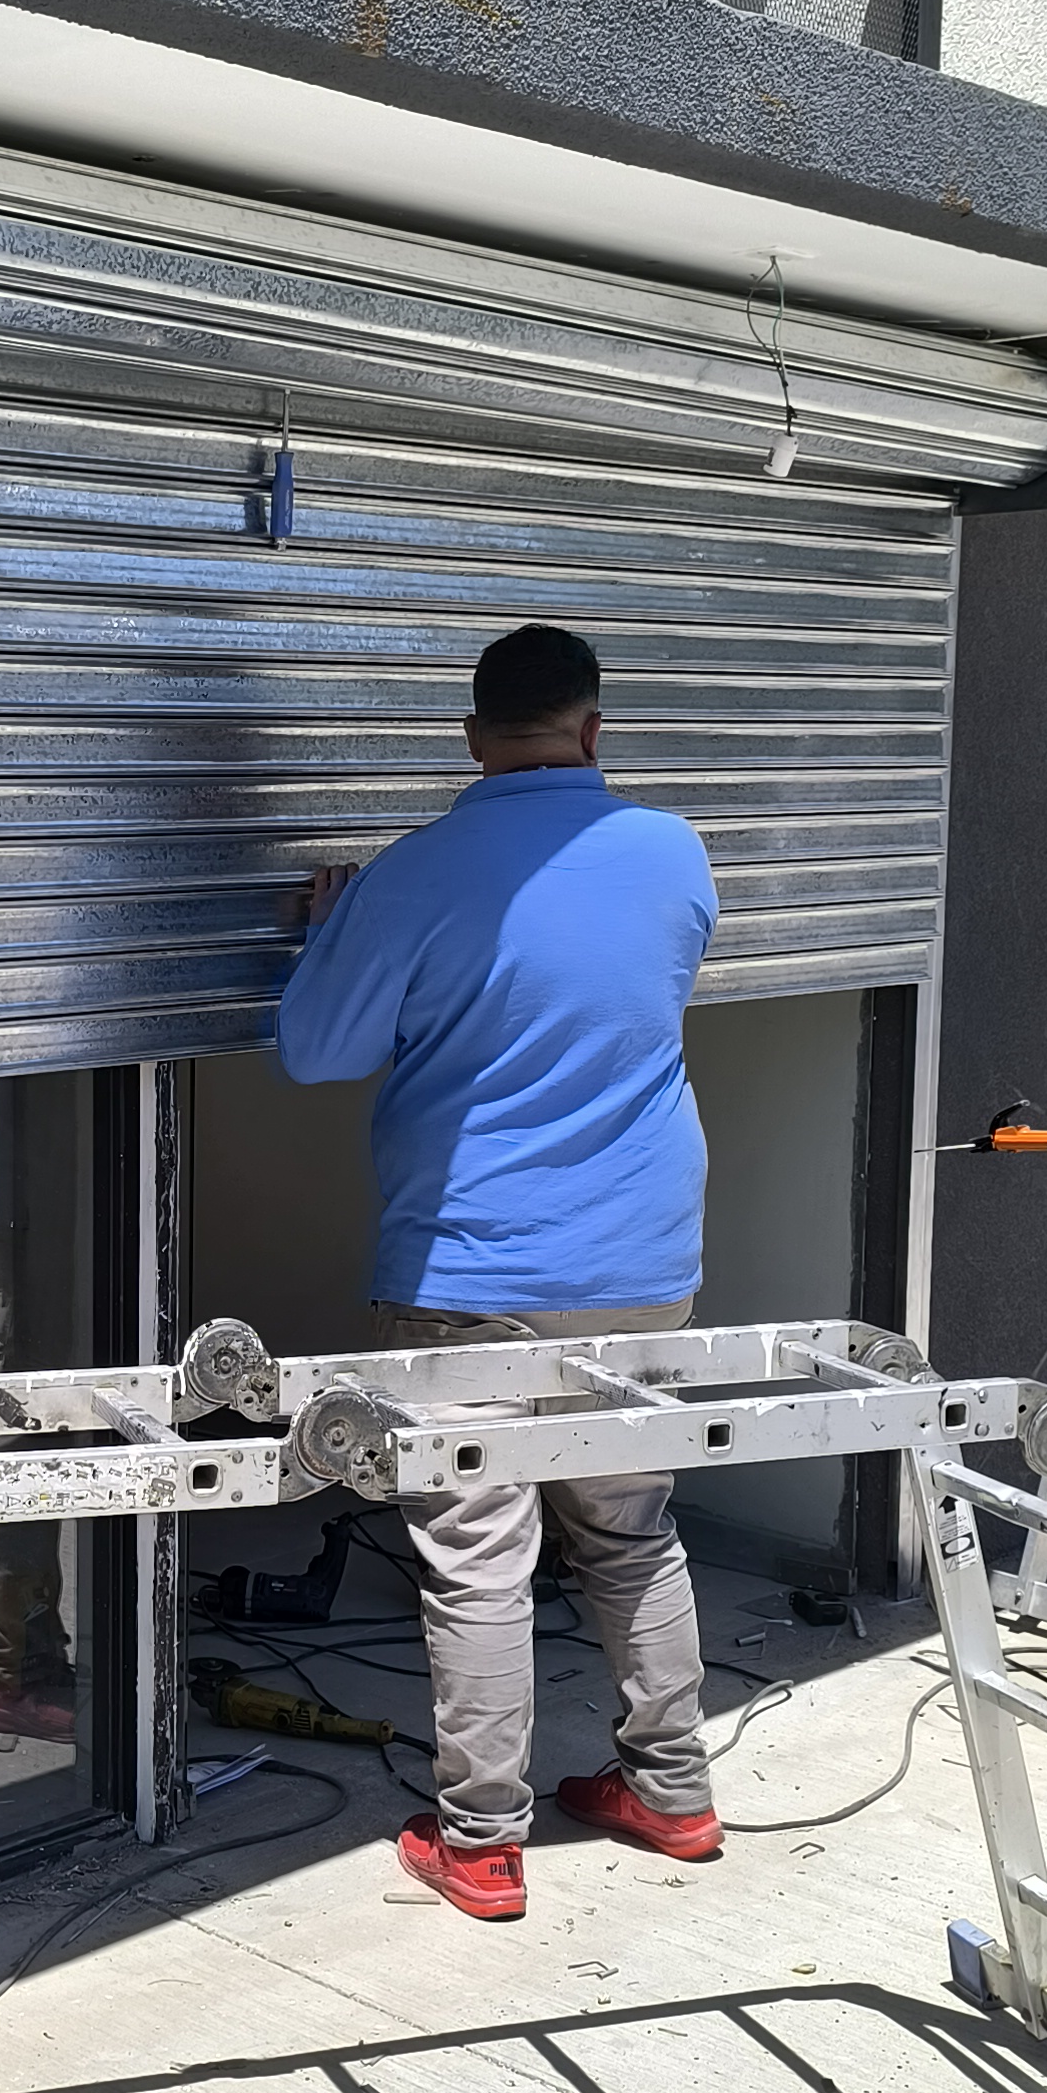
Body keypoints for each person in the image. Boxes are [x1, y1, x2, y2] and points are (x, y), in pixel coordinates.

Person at [274, 621, 721, 1922]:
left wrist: (331, 937)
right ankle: (674, 1791)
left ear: (472, 738)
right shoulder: (675, 852)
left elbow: (318, 1051)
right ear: (594, 729)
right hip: (646, 1252)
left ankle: (481, 1842)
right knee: (631, 1534)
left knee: (477, 1553)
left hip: (475, 1260)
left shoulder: (411, 879)